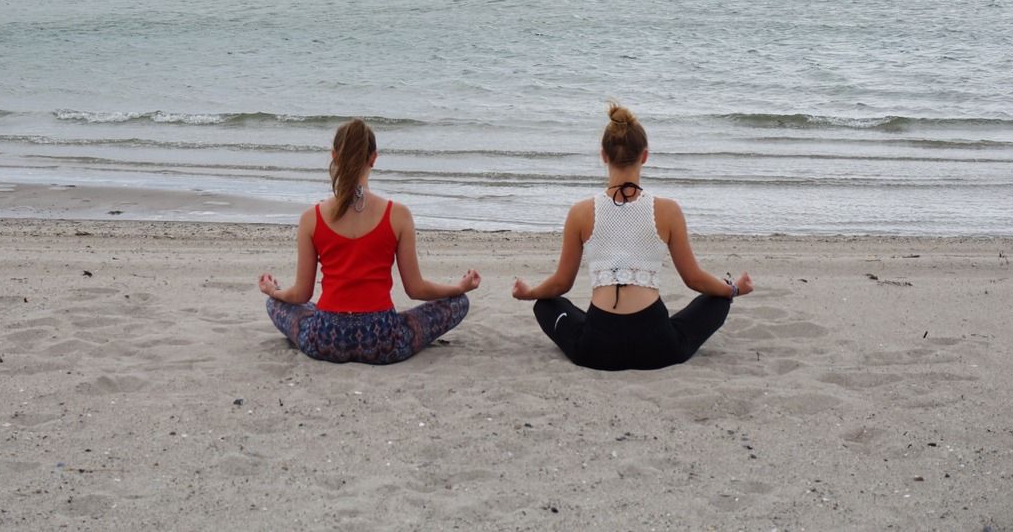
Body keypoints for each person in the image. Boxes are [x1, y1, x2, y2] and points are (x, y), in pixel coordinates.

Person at [511, 103, 754, 370]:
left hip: (596, 348)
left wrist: (530, 293)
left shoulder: (580, 213)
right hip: (657, 346)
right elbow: (694, 279)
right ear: (645, 156)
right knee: (718, 298)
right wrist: (733, 289)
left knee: (546, 304)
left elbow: (561, 284)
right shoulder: (668, 210)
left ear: (603, 156)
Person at [258, 118, 480, 364]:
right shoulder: (398, 215)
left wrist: (274, 290)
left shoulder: (311, 218)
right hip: (382, 341)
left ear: (334, 156)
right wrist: (458, 288)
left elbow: (301, 294)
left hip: (325, 340)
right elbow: (416, 289)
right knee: (459, 303)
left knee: (275, 304)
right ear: (373, 158)